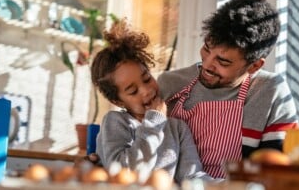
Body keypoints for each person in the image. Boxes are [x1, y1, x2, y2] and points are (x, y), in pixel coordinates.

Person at [157, 0, 299, 179]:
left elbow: (279, 173)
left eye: (222, 61)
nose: (207, 65)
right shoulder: (170, 85)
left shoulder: (270, 92)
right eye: (207, 49)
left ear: (254, 65)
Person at [90, 19, 213, 184]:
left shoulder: (177, 128)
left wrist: (227, 186)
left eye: (147, 79)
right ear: (118, 101)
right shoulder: (115, 122)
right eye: (133, 91)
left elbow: (191, 176)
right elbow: (124, 174)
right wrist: (154, 124)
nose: (147, 90)